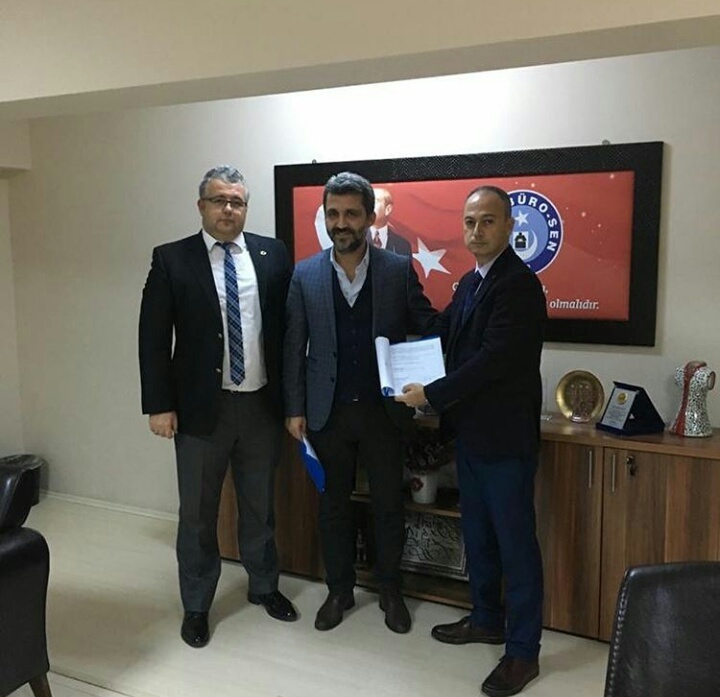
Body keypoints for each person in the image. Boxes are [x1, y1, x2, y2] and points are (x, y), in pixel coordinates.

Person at [396, 185, 546, 697]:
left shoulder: (518, 285)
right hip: (471, 438)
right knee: (479, 538)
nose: (476, 231)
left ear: (509, 226)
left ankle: (523, 653)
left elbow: (492, 361)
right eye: (469, 222)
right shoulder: (470, 282)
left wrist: (430, 394)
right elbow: (444, 331)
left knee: (516, 547)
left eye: (487, 221)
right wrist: (402, 294)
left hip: (505, 443)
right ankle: (486, 619)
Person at [138, 165, 297, 649]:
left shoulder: (272, 254)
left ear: (246, 207)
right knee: (197, 514)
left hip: (261, 406)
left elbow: (288, 330)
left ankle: (264, 585)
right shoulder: (172, 259)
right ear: (201, 206)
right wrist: (159, 405)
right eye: (219, 200)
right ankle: (197, 604)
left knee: (259, 505)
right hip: (200, 411)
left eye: (237, 202)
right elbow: (152, 338)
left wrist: (293, 400)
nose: (229, 209)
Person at [284, 172, 435, 634]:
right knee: (333, 507)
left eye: (351, 213)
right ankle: (339, 590)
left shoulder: (396, 269)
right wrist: (294, 408)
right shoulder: (305, 274)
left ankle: (390, 590)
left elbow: (425, 326)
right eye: (333, 214)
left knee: (389, 506)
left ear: (370, 218)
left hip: (383, 413)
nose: (341, 223)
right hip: (326, 412)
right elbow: (294, 346)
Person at [367, 187, 412, 255]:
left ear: (388, 209)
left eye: (375, 201)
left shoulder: (402, 245)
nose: (370, 206)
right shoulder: (356, 241)